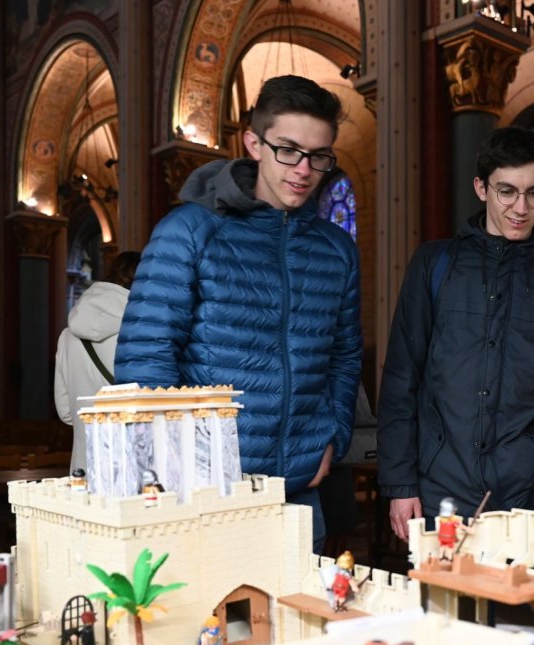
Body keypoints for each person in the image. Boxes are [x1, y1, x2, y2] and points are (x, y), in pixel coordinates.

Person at [115, 75, 362, 553]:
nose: (303, 169)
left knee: (302, 621)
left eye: (319, 156)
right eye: (288, 150)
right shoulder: (189, 230)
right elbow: (146, 355)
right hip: (204, 492)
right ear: (254, 143)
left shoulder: (337, 250)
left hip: (300, 488)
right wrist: (180, 465)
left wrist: (331, 438)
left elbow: (344, 356)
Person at [378, 126, 534, 538]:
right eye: (507, 191)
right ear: (481, 188)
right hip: (436, 486)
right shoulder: (433, 264)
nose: (521, 207)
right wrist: (401, 484)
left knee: (516, 603)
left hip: (522, 487)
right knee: (439, 603)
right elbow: (401, 378)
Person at [54, 251, 140, 472]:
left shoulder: (66, 337)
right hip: (131, 464)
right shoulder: (140, 331)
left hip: (84, 467)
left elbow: (65, 411)